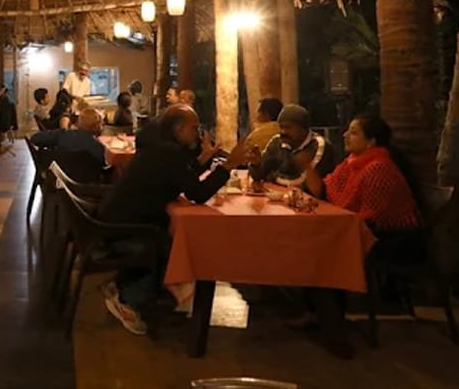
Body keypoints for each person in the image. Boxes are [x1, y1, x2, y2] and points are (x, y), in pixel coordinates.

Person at [98, 105, 248, 335]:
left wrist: (205, 159)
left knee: (174, 241)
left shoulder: (159, 148)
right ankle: (128, 300)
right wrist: (229, 165)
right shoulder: (168, 153)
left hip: (115, 221)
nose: (197, 134)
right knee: (180, 251)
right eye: (194, 128)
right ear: (179, 129)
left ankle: (125, 286)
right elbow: (197, 193)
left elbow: (181, 178)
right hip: (126, 230)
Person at [303, 116, 420, 231]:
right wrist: (307, 166)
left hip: (389, 236)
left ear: (371, 142)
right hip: (356, 227)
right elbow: (323, 191)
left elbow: (370, 220)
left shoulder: (378, 168)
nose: (345, 135)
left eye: (353, 133)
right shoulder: (351, 161)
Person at [249, 104, 337, 186]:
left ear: (303, 129)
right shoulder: (277, 141)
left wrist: (272, 177)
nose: (283, 132)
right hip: (283, 195)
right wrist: (256, 165)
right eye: (281, 127)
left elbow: (306, 184)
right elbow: (260, 175)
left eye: (288, 127)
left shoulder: (319, 145)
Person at [30, 107, 107, 173]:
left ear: (78, 122)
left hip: (60, 179)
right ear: (97, 127)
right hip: (87, 182)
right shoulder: (96, 146)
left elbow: (35, 138)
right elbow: (104, 164)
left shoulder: (62, 135)